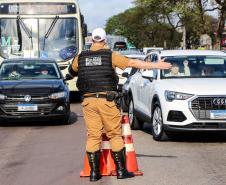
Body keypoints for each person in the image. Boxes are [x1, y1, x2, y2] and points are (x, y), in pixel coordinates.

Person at [68, 28, 172, 182]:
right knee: (114, 135)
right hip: (107, 101)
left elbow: (72, 71)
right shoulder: (110, 55)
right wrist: (157, 65)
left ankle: (94, 173)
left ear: (91, 40)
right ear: (104, 41)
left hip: (88, 102)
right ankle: (121, 171)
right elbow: (133, 62)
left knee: (93, 136)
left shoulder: (81, 57)